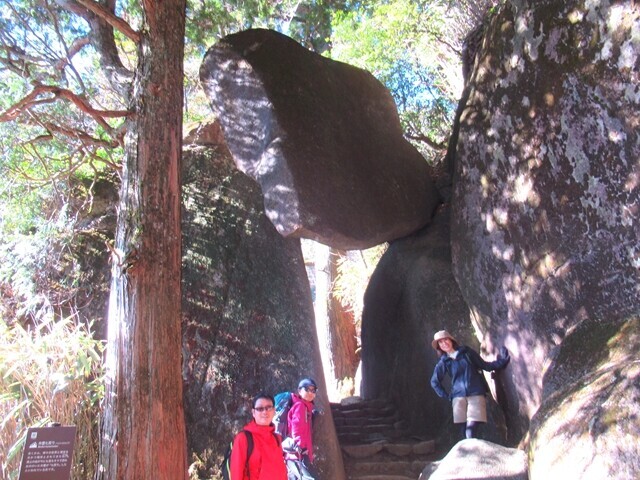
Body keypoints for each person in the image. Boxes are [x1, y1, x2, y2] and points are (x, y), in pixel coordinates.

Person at [430, 330, 510, 440]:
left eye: (445, 340)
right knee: (464, 431)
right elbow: (434, 382)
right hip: (458, 398)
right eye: (440, 343)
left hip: (475, 393)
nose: (444, 344)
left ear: (451, 340)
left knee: (471, 429)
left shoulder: (466, 353)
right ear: (439, 347)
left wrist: (502, 361)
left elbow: (484, 365)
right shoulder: (444, 362)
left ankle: (473, 453)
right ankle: (470, 455)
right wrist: (447, 396)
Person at [229, 392, 287, 480]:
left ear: (274, 411)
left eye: (269, 408)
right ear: (253, 412)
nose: (265, 412)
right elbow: (236, 474)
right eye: (260, 409)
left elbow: (281, 471)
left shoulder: (276, 438)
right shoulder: (244, 438)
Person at [285, 378, 319, 479]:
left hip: (296, 454)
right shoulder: (300, 406)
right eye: (307, 389)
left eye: (313, 390)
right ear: (299, 391)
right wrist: (301, 448)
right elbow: (296, 428)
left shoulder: (306, 407)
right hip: (298, 454)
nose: (311, 393)